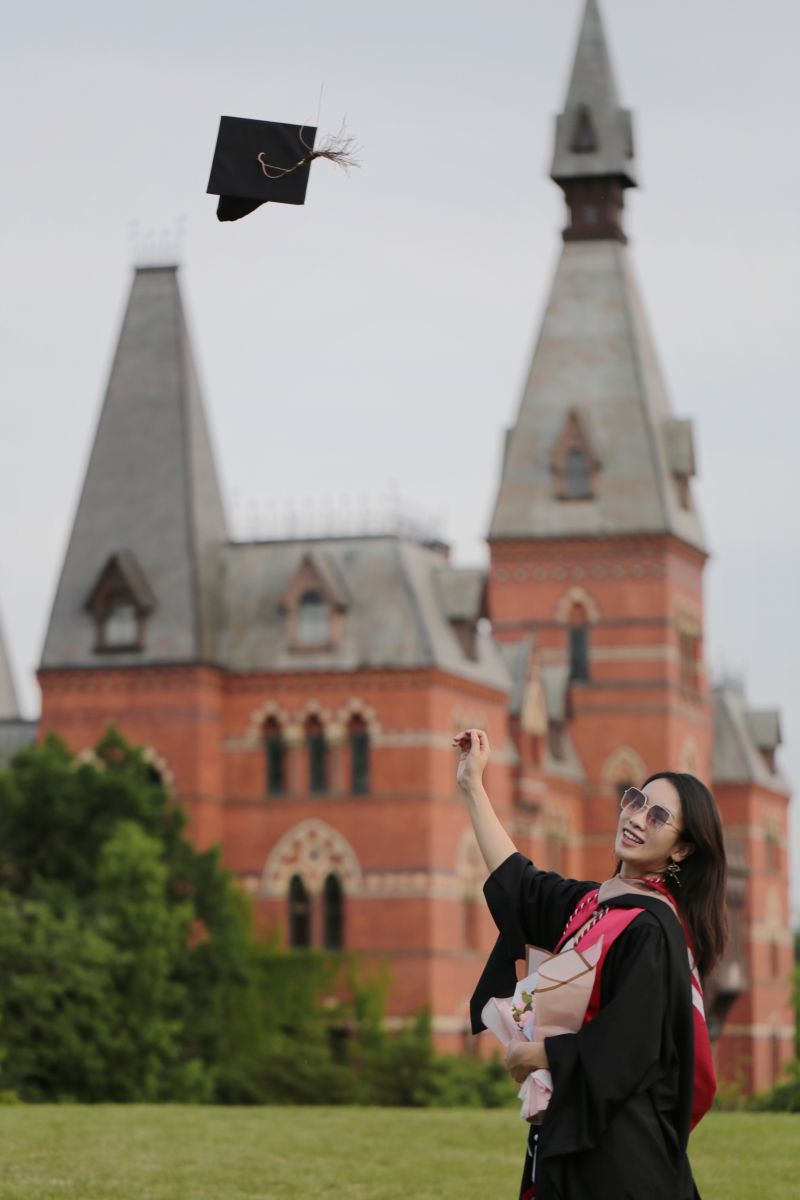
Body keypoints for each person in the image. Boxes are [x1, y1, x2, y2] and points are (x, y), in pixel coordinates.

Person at [453, 728, 726, 1200]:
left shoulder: (651, 929)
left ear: (681, 850)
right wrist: (473, 786)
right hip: (576, 1129)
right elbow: (522, 884)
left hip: (620, 1154)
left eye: (658, 816)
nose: (637, 818)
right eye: (636, 801)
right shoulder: (595, 905)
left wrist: (544, 1055)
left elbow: (634, 1044)